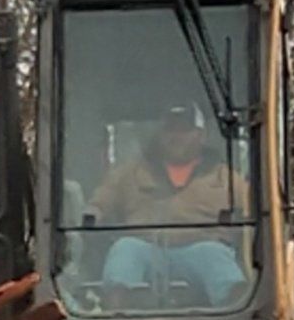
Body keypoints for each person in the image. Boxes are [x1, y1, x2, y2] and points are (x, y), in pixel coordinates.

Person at [90, 100, 247, 307]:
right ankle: (118, 317)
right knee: (125, 249)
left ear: (201, 135)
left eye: (184, 130)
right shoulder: (131, 173)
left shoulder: (225, 178)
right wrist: (92, 214)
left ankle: (233, 312)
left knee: (215, 255)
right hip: (146, 248)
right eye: (170, 129)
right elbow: (102, 200)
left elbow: (251, 211)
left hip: (199, 250)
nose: (176, 137)